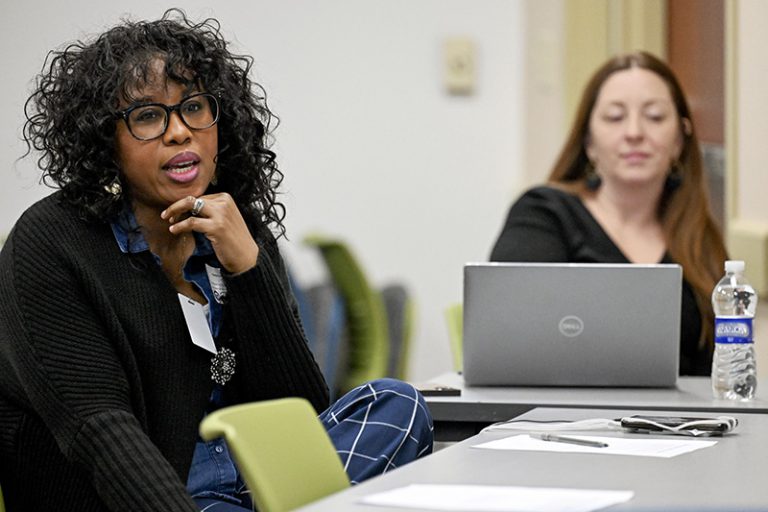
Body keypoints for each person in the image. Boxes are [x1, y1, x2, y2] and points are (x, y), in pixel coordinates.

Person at [0, 10, 432, 512]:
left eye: (195, 107)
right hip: (155, 491)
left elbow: (301, 414)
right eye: (147, 116)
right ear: (104, 142)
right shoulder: (52, 241)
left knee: (397, 404)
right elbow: (101, 434)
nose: (180, 132)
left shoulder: (234, 226)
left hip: (258, 478)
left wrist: (249, 269)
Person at [490, 51, 727, 376]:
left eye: (655, 117)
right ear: (588, 141)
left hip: (678, 425)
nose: (634, 132)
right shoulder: (544, 215)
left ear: (679, 140)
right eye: (615, 117)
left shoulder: (700, 240)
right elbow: (509, 342)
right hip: (559, 420)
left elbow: (717, 371)